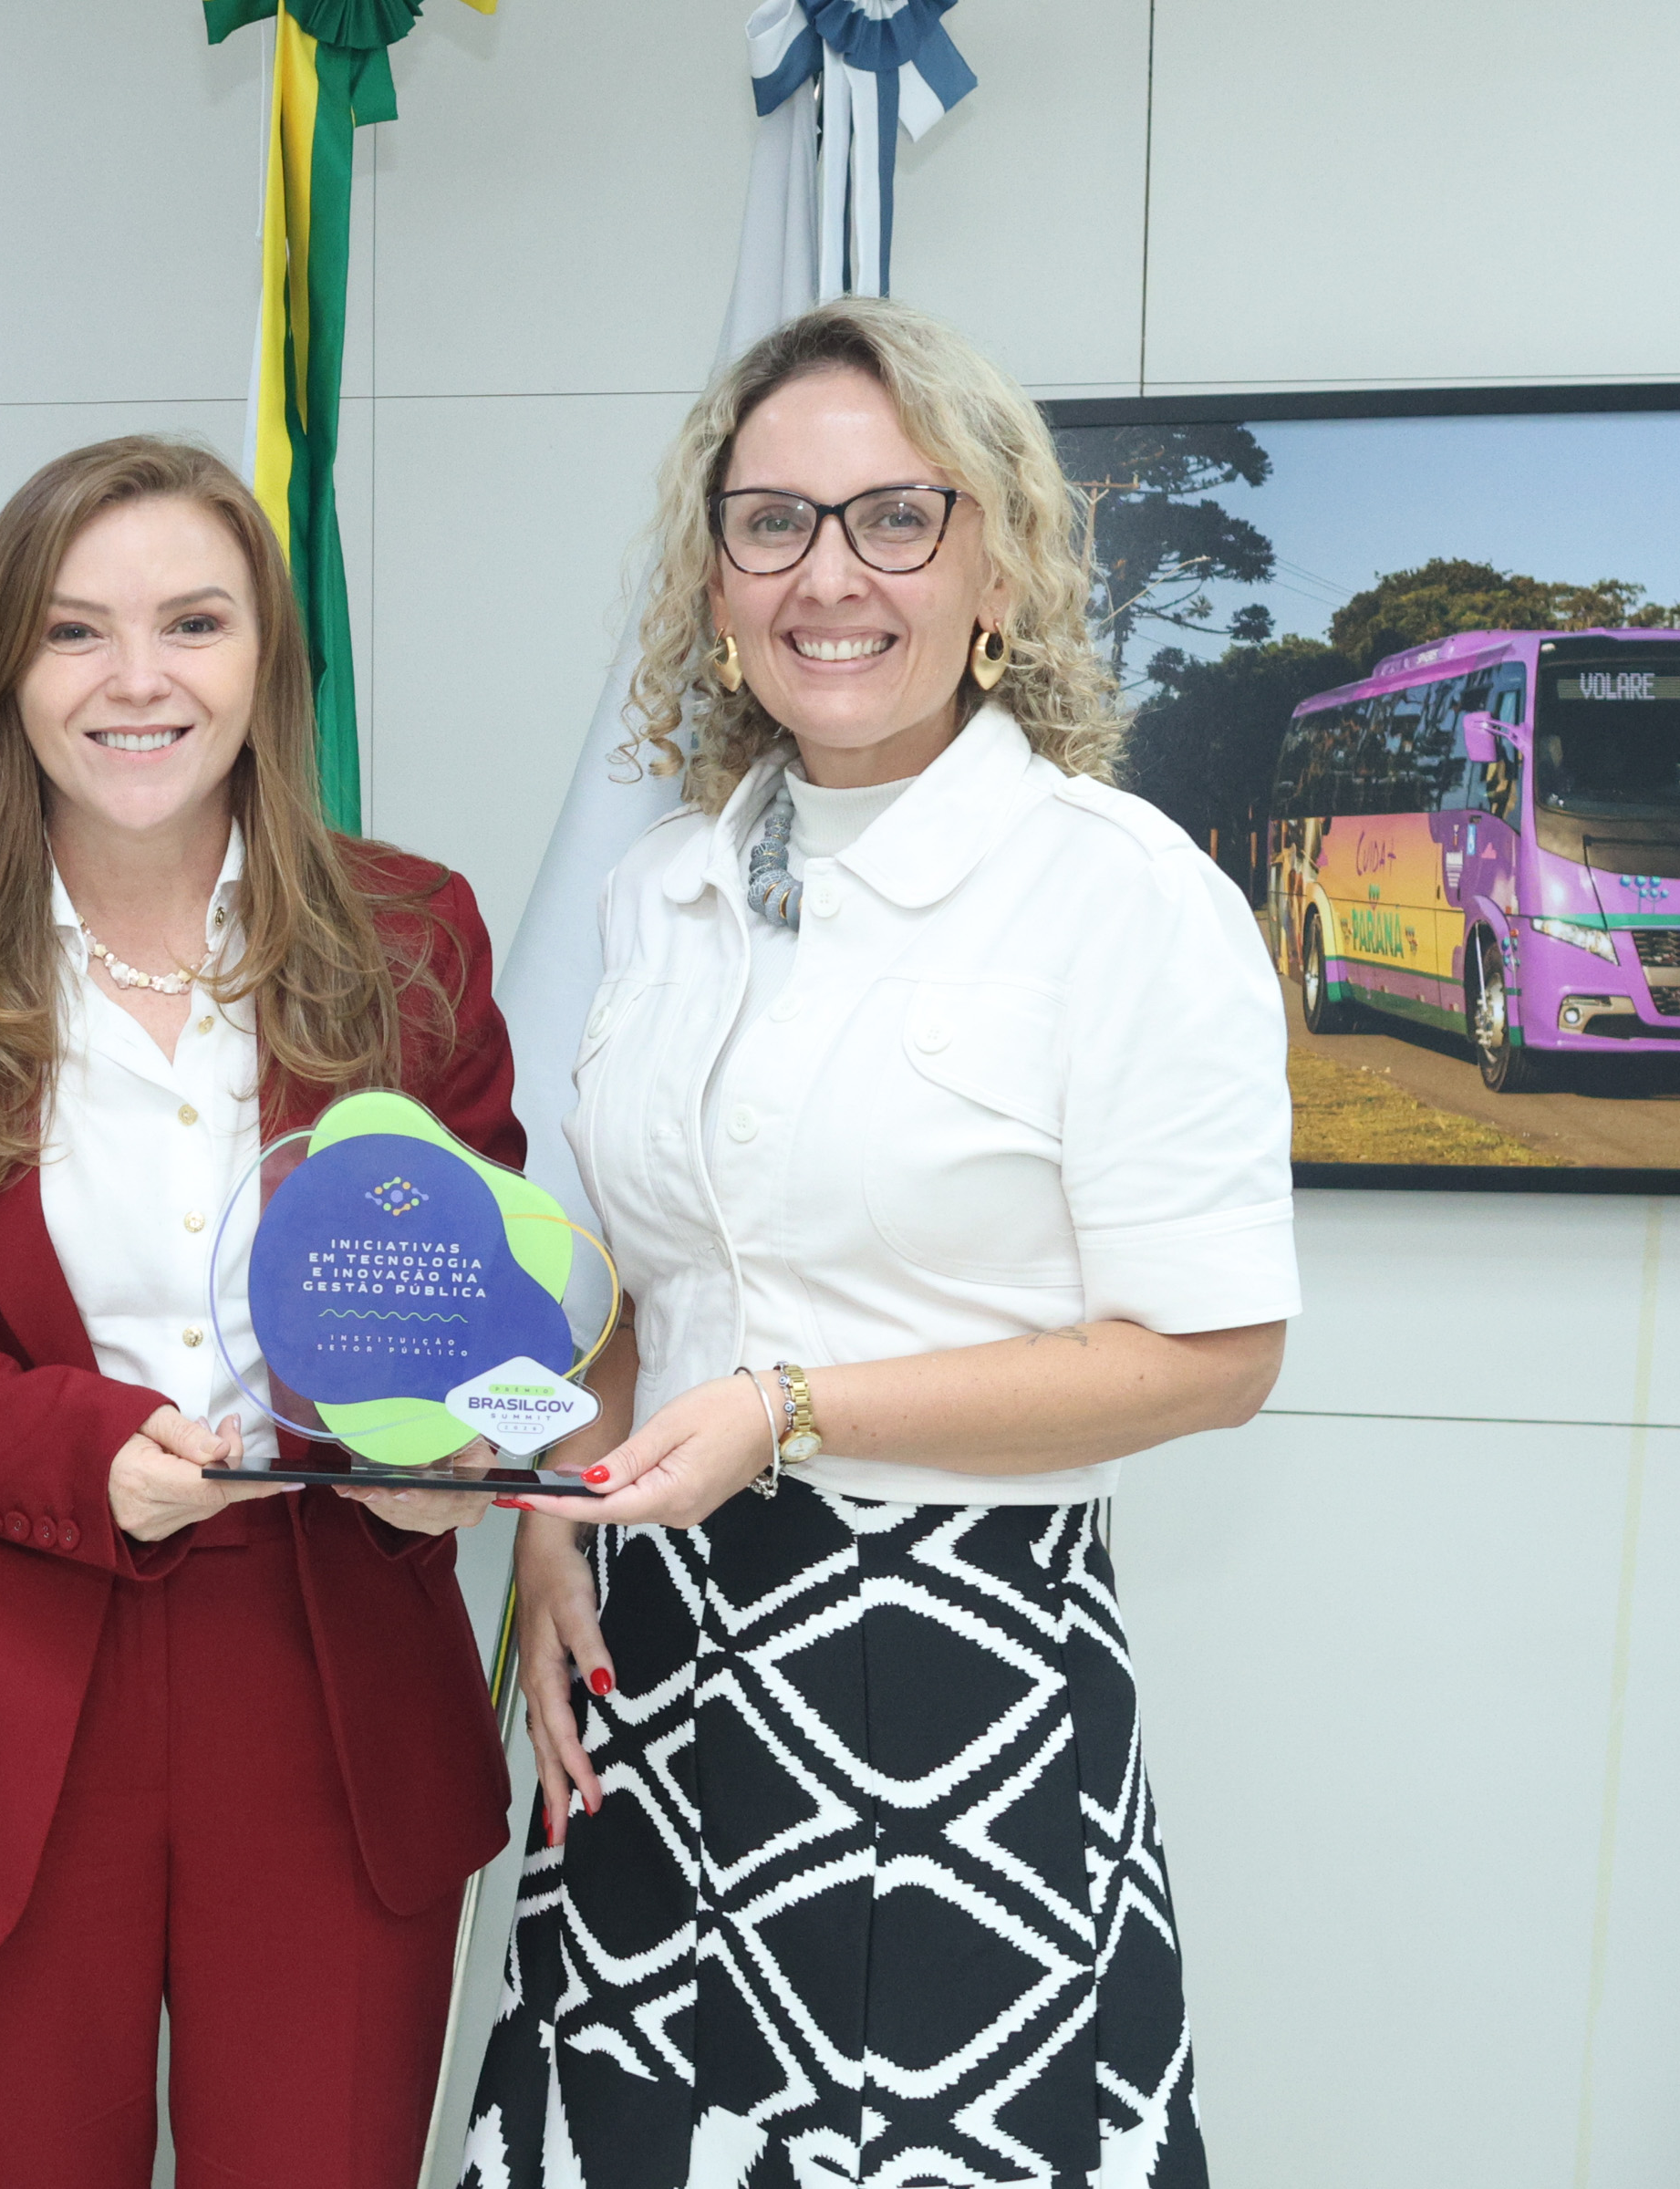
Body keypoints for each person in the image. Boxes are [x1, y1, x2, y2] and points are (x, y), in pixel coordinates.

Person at [462, 298, 1295, 2189]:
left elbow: (1216, 1354)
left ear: (994, 559)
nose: (832, 578)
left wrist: (795, 1407)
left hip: (950, 1673)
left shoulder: (1122, 893)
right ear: (717, 575)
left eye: (895, 520)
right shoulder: (662, 890)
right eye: (775, 523)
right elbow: (643, 1287)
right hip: (654, 1668)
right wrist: (543, 1517)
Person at [0, 436, 516, 2188]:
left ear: (265, 663)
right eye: (79, 632)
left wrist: (451, 1451)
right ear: (6, 673)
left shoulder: (412, 937)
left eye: (193, 623)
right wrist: (78, 1452)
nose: (141, 680)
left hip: (333, 1684)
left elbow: (484, 1311)